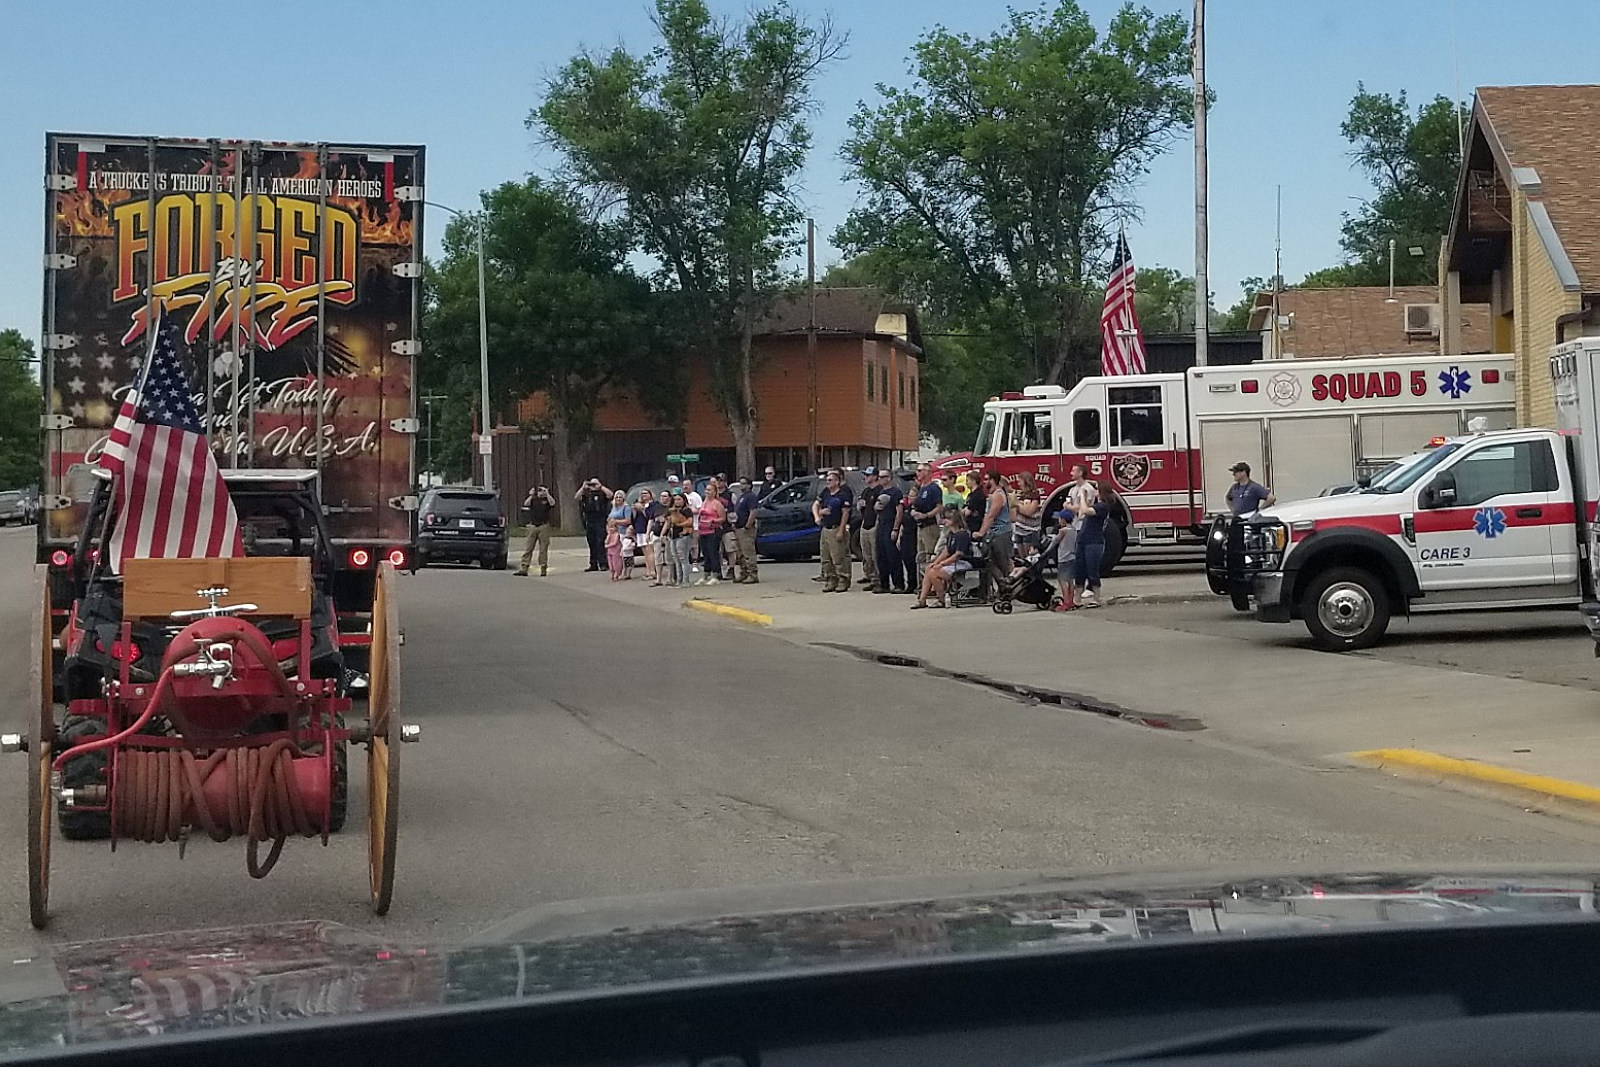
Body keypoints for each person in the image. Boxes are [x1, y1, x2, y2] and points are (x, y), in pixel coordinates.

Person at [912, 506, 973, 609]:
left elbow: (958, 555)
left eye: (947, 518)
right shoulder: (950, 535)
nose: (944, 521)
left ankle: (941, 600)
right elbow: (946, 551)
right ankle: (922, 600)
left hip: (963, 563)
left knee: (934, 573)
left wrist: (942, 564)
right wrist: (936, 562)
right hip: (953, 562)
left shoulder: (962, 535)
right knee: (929, 568)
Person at [1053, 464, 1093, 612]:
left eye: (1073, 470)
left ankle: (1087, 587)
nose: (1071, 472)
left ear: (1081, 473)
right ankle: (1073, 596)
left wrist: (1069, 507)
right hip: (1075, 525)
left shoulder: (1088, 489)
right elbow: (1068, 504)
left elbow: (1083, 508)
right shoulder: (1072, 489)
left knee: (1083, 559)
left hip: (1084, 526)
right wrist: (1070, 507)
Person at [974, 470, 1013, 598]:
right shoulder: (992, 495)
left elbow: (991, 515)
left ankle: (1007, 589)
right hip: (993, 533)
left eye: (986, 479)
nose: (984, 482)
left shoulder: (998, 495)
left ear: (993, 480)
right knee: (990, 561)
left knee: (1002, 563)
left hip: (1001, 532)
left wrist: (981, 532)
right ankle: (1002, 587)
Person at [1073, 481, 1111, 607]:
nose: (1094, 491)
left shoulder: (1103, 507)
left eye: (1096, 489)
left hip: (1094, 542)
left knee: (1092, 570)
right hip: (1083, 540)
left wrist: (1083, 496)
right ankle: (1076, 599)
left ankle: (1096, 598)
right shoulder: (1096, 505)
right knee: (1080, 570)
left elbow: (1085, 510)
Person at [816, 468, 853, 592]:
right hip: (825, 528)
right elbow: (817, 505)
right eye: (827, 480)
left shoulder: (843, 494)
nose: (828, 482)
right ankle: (831, 580)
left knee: (838, 557)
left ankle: (843, 580)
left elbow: (845, 513)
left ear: (837, 481)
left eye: (830, 480)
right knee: (826, 558)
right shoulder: (826, 493)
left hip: (836, 527)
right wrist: (820, 513)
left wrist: (841, 530)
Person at [910, 463, 945, 579]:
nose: (917, 473)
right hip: (920, 526)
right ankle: (922, 582)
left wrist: (926, 515)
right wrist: (914, 510)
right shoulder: (920, 488)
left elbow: (939, 507)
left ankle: (933, 582)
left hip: (930, 525)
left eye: (920, 470)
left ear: (928, 472)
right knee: (921, 555)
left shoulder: (933, 488)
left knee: (930, 554)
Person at [513, 484, 556, 577]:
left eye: (542, 490)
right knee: (528, 547)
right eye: (539, 490)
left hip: (543, 526)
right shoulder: (533, 499)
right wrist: (531, 495)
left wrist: (547, 494)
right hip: (533, 526)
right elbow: (526, 504)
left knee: (543, 549)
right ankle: (524, 568)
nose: (540, 492)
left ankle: (543, 568)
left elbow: (553, 503)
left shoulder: (547, 500)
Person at [873, 470, 904, 593]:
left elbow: (899, 511)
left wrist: (895, 528)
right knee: (881, 556)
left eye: (883, 477)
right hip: (881, 524)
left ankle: (898, 584)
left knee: (893, 556)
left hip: (891, 524)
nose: (880, 479)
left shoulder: (896, 492)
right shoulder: (881, 492)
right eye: (879, 477)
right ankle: (884, 584)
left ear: (889, 478)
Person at [576, 478, 612, 572]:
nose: (593, 486)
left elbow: (610, 495)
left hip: (600, 520)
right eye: (591, 484)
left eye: (594, 484)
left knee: (600, 542)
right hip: (590, 521)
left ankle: (603, 563)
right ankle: (593, 564)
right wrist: (583, 487)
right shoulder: (586, 494)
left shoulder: (602, 493)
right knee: (592, 543)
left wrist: (601, 487)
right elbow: (577, 497)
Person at [695, 482, 728, 585]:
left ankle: (716, 574)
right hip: (703, 530)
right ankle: (706, 574)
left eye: (709, 490)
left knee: (713, 552)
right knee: (705, 553)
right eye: (706, 490)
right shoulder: (704, 502)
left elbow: (723, 518)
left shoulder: (717, 503)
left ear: (714, 492)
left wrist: (713, 521)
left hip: (713, 531)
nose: (707, 492)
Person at [732, 477, 761, 583]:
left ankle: (753, 574)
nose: (741, 486)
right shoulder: (741, 497)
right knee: (740, 553)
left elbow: (753, 511)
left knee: (748, 552)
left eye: (744, 484)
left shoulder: (751, 497)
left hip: (746, 529)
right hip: (738, 527)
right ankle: (743, 572)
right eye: (740, 483)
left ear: (749, 485)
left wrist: (748, 525)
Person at [857, 468, 881, 589]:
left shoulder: (879, 490)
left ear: (875, 476)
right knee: (866, 554)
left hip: (874, 525)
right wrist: (860, 506)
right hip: (865, 523)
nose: (866, 477)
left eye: (868, 475)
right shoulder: (866, 491)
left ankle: (877, 579)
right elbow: (862, 505)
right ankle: (869, 575)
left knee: (875, 554)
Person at [667, 492, 694, 585]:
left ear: (684, 500)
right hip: (672, 535)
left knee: (683, 558)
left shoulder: (686, 510)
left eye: (679, 499)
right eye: (675, 500)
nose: (677, 502)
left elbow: (690, 522)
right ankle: (679, 579)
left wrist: (679, 524)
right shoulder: (672, 511)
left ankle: (685, 580)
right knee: (676, 559)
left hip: (683, 535)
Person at [632, 488, 659, 581]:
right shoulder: (640, 504)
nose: (644, 495)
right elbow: (634, 518)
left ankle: (653, 571)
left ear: (651, 494)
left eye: (646, 493)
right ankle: (648, 571)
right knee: (644, 552)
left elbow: (650, 517)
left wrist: (642, 509)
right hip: (639, 529)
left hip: (648, 530)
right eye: (642, 494)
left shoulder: (653, 505)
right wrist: (635, 510)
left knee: (649, 551)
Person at [604, 490, 630, 581]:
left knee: (622, 554)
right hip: (612, 532)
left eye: (620, 497)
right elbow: (609, 519)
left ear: (623, 498)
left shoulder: (626, 508)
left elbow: (628, 520)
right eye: (617, 497)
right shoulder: (613, 508)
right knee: (614, 555)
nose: (618, 499)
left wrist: (617, 522)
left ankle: (623, 572)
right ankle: (614, 572)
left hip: (622, 532)